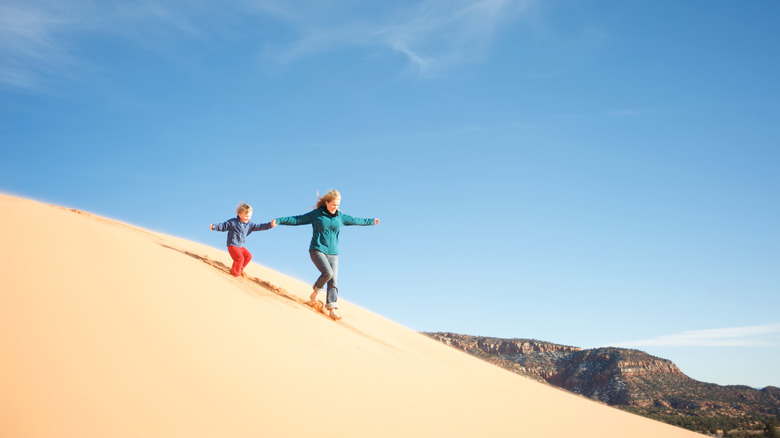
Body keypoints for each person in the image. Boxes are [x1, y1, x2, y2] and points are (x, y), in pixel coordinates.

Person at [274, 190, 379, 320]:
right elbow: (297, 219)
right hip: (317, 250)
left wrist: (371, 221)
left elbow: (356, 220)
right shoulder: (317, 214)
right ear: (327, 202)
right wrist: (279, 220)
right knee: (328, 273)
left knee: (333, 281)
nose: (336, 207)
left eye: (338, 205)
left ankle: (332, 309)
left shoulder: (340, 216)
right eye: (333, 204)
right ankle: (316, 292)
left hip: (334, 253)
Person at [210, 202, 277, 278]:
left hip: (241, 246)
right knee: (240, 258)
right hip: (232, 245)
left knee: (248, 256)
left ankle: (240, 269)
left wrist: (270, 225)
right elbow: (223, 226)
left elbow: (260, 226)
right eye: (246, 216)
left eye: (250, 216)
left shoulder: (249, 224)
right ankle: (235, 274)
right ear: (239, 214)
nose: (248, 218)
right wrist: (214, 227)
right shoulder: (233, 222)